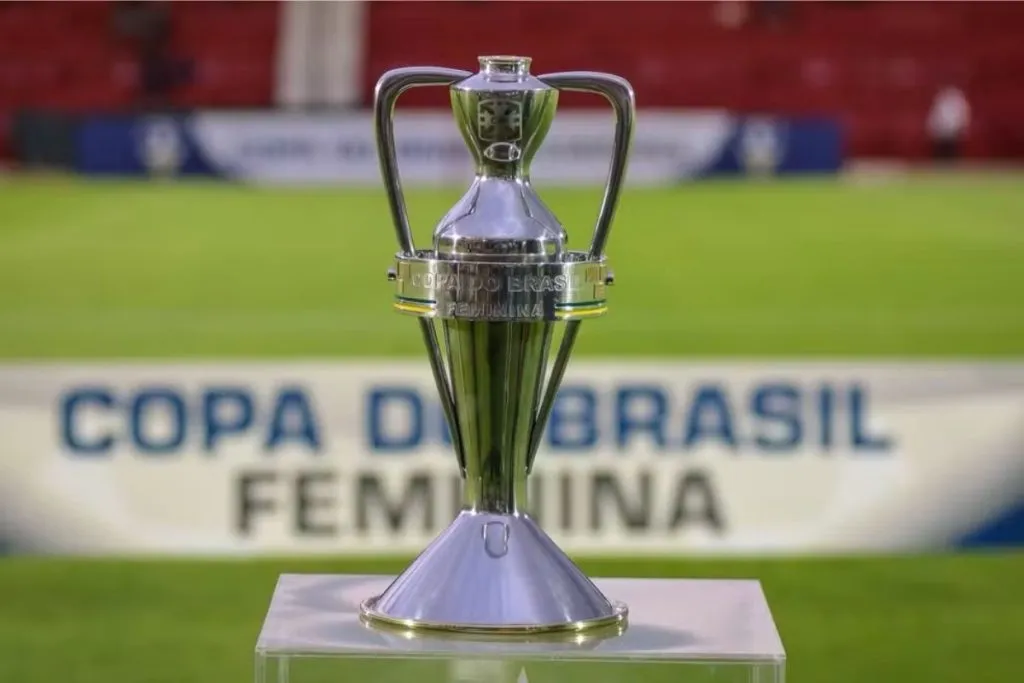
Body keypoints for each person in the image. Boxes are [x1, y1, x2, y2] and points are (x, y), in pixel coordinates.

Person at [927, 85, 970, 162]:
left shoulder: (959, 100)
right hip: (940, 133)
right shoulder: (939, 100)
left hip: (954, 132)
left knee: (951, 152)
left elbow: (963, 116)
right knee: (941, 152)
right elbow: (935, 116)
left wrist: (959, 128)